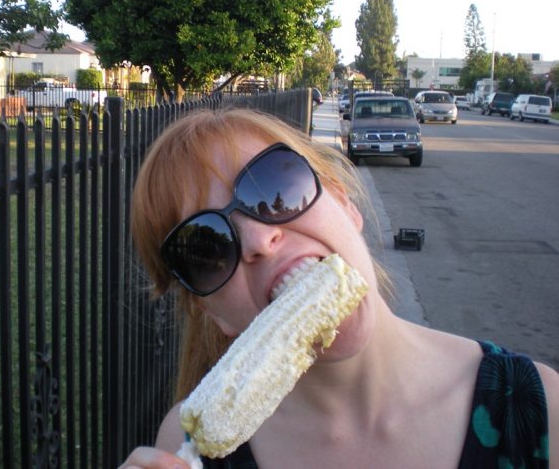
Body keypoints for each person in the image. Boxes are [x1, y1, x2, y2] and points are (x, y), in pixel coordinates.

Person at [121, 107, 558, 468]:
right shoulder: (184, 448)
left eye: (274, 185)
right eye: (205, 247)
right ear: (209, 310)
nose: (258, 240)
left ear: (345, 204)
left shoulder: (538, 412)